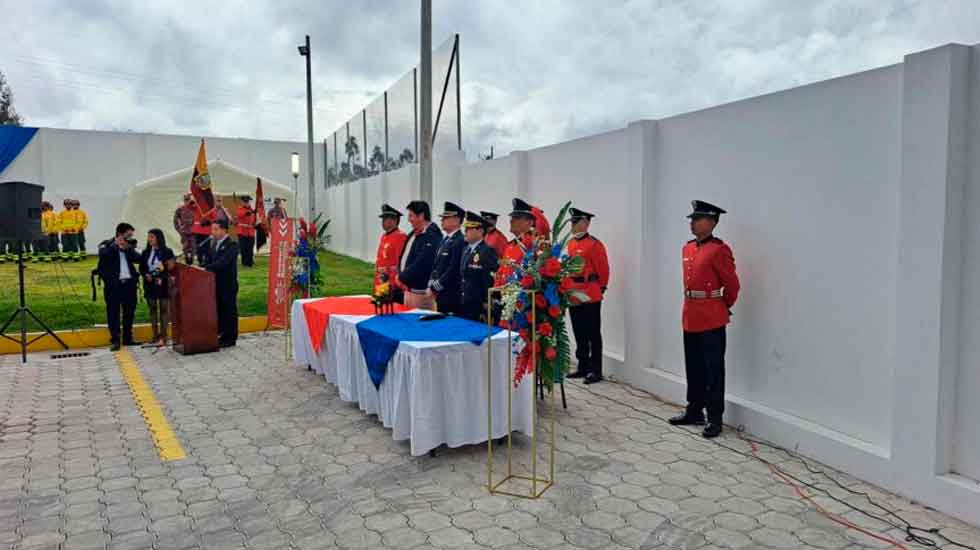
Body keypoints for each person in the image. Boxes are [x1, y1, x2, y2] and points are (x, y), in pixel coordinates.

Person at [669, 200, 740, 439]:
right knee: (694, 366)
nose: (692, 223)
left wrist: (722, 307)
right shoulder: (687, 249)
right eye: (692, 219)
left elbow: (732, 285)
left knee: (713, 370)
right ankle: (694, 410)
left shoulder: (719, 250)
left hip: (712, 316)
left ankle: (715, 418)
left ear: (711, 222)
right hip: (691, 314)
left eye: (697, 219)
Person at [565, 208, 611, 385]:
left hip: (589, 292)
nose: (572, 225)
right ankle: (583, 365)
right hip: (573, 292)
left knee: (592, 332)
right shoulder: (570, 244)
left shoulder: (594, 244)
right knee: (579, 330)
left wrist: (601, 288)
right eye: (572, 222)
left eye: (575, 222)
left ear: (585, 223)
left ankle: (596, 370)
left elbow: (603, 269)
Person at [96, 223, 141, 351]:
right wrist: (116, 246)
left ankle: (128, 338)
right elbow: (103, 255)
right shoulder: (106, 244)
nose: (130, 238)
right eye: (128, 235)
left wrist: (127, 248)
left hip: (129, 284)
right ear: (120, 234)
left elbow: (138, 259)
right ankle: (115, 339)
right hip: (113, 286)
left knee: (129, 312)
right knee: (113, 313)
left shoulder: (128, 246)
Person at [200, 218, 240, 348]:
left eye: (216, 229)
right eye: (212, 229)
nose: (213, 232)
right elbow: (210, 260)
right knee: (221, 310)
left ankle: (230, 337)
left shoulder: (232, 245)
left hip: (227, 285)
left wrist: (207, 268)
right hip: (215, 284)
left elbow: (223, 262)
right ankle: (222, 335)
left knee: (229, 311)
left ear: (224, 230)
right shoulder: (213, 244)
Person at [395, 200, 442, 309]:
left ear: (421, 216)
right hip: (409, 290)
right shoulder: (414, 233)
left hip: (421, 293)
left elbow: (422, 263)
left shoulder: (432, 235)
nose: (409, 219)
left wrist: (401, 277)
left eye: (411, 215)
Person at [459, 211, 499, 322]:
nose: (465, 232)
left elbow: (489, 279)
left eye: (469, 229)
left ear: (480, 231)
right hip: (465, 302)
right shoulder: (466, 249)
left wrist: (487, 300)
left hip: (479, 306)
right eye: (465, 228)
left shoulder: (487, 251)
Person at [427, 202, 466, 315]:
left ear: (456, 220)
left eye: (445, 218)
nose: (442, 220)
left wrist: (435, 288)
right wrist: (432, 283)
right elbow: (437, 266)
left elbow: (453, 270)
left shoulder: (460, 241)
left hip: (451, 295)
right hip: (441, 293)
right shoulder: (445, 240)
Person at [139, 229, 176, 346]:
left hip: (163, 283)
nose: (150, 240)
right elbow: (142, 268)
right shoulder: (145, 252)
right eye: (149, 237)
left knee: (164, 309)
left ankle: (164, 336)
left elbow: (171, 267)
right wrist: (146, 275)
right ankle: (155, 336)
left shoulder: (167, 251)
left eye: (152, 237)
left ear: (159, 238)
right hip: (150, 284)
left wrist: (161, 275)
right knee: (152, 308)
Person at [494, 198, 538, 288]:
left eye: (517, 218)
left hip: (521, 297)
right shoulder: (510, 245)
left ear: (530, 222)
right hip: (505, 296)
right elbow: (502, 271)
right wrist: (495, 291)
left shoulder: (533, 244)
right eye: (512, 217)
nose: (511, 220)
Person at [374, 204, 408, 294]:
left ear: (395, 220)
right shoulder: (384, 236)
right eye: (383, 219)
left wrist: (392, 284)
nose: (383, 221)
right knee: (380, 305)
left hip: (390, 283)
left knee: (390, 306)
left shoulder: (400, 236)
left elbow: (400, 263)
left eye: (385, 219)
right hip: (381, 281)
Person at [173, 194, 196, 264]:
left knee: (193, 246)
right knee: (185, 246)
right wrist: (179, 230)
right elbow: (175, 221)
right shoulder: (180, 209)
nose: (187, 201)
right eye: (186, 199)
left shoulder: (195, 208)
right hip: (184, 232)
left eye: (188, 199)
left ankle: (192, 259)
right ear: (184, 200)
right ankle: (186, 259)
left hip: (193, 232)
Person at [236, 195, 257, 267]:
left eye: (247, 201)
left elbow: (254, 219)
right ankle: (244, 262)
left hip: (251, 231)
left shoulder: (252, 209)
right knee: (243, 248)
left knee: (250, 247)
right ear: (242, 202)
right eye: (245, 202)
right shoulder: (240, 209)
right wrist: (247, 213)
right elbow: (239, 214)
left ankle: (250, 262)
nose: (246, 203)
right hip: (242, 231)